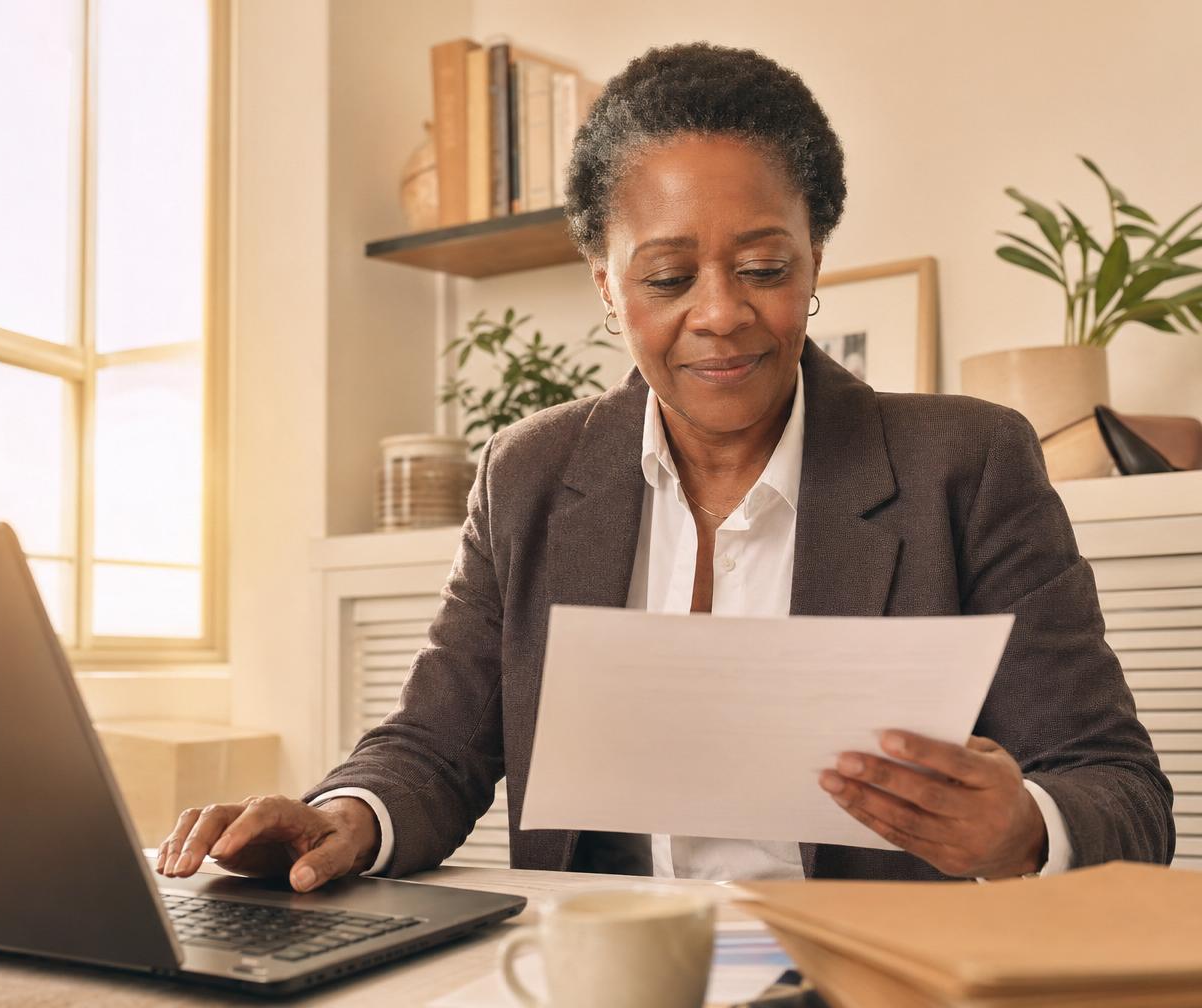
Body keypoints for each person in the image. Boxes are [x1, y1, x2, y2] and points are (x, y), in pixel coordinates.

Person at [156, 43, 1173, 891]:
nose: (721, 312)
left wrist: (1027, 828)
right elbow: (435, 745)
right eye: (669, 276)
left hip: (862, 978)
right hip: (603, 973)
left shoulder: (968, 463)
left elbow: (1119, 789)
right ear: (608, 284)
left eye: (765, 267)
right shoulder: (532, 476)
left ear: (814, 260)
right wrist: (345, 814)